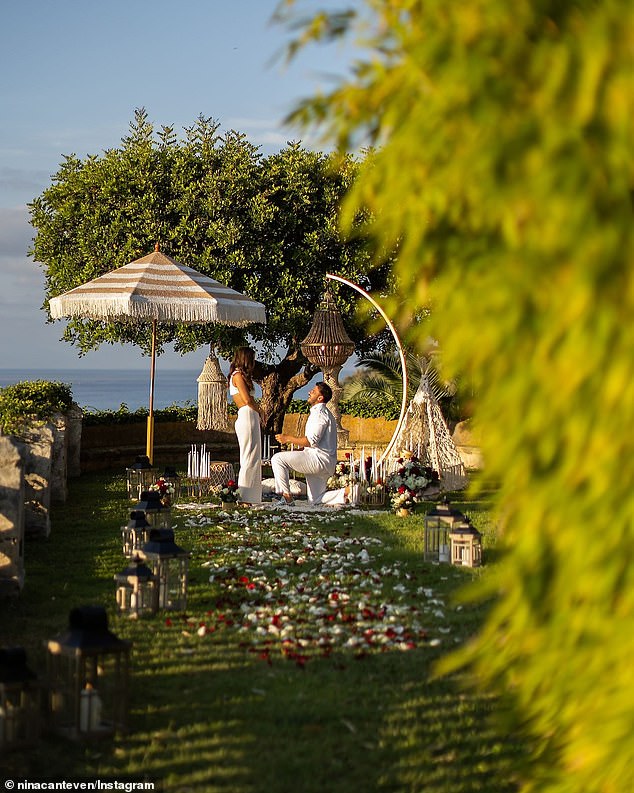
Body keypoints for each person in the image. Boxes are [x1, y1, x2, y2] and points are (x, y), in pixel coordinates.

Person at [271, 381, 338, 505]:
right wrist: (299, 451)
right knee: (315, 501)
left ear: (320, 398)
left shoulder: (319, 414)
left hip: (318, 460)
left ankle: (287, 498)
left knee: (277, 459)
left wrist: (287, 438)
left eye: (313, 391)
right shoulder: (322, 413)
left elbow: (311, 441)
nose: (309, 392)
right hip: (324, 460)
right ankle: (348, 492)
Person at [229, 346, 262, 504]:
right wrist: (261, 411)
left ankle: (253, 495)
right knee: (248, 456)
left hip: (251, 416)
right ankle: (245, 496)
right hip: (247, 415)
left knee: (254, 456)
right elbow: (247, 400)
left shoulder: (243, 376)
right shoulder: (237, 375)